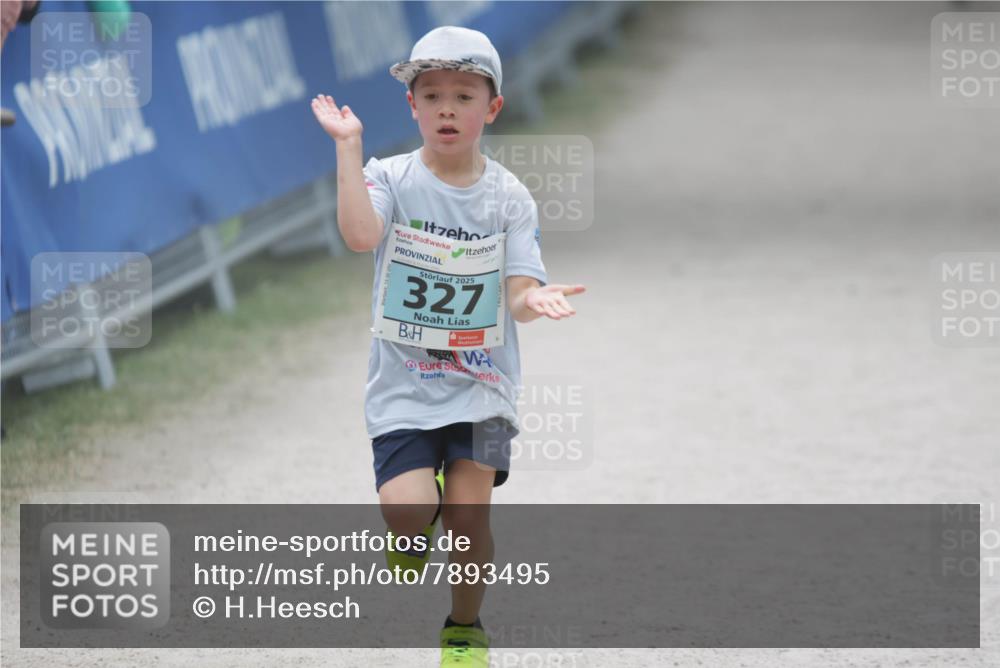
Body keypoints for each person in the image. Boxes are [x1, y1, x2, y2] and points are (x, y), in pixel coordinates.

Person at [311, 25, 585, 668]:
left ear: (492, 108)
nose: (446, 109)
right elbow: (358, 235)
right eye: (431, 95)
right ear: (412, 106)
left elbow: (520, 287)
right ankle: (414, 527)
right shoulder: (391, 177)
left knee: (469, 515)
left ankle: (464, 629)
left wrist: (532, 303)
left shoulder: (508, 197)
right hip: (403, 386)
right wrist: (349, 151)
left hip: (487, 387)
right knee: (407, 512)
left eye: (464, 96)